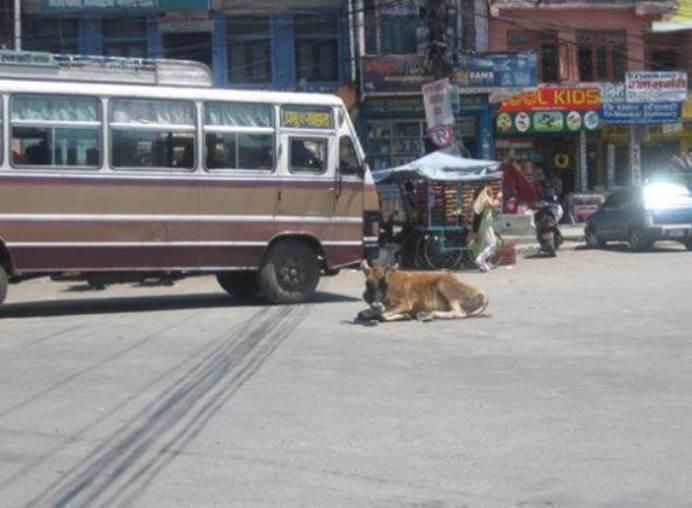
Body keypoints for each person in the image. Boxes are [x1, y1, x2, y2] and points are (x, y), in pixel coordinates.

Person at [472, 184, 502, 272]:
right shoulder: (484, 199)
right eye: (490, 189)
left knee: (485, 245)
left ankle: (483, 265)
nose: (492, 190)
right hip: (485, 224)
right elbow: (493, 205)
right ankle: (480, 259)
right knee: (492, 244)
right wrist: (498, 197)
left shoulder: (482, 199)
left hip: (486, 224)